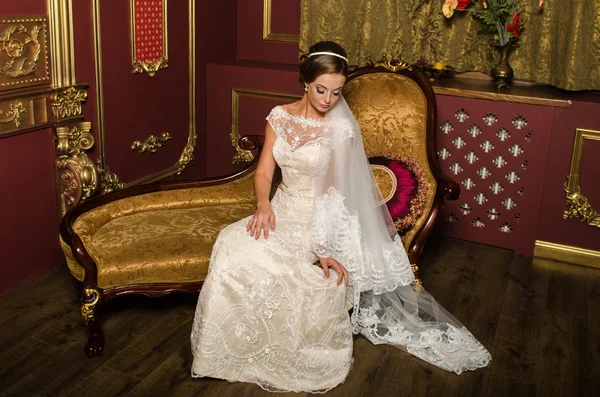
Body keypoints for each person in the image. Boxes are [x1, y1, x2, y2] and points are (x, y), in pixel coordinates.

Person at [190, 41, 491, 393]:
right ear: (304, 82)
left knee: (285, 270)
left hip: (317, 218)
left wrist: (323, 248)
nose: (327, 100)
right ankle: (221, 353)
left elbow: (334, 195)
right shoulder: (279, 117)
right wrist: (262, 205)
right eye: (320, 90)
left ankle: (277, 351)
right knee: (231, 244)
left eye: (336, 92)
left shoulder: (341, 130)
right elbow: (263, 172)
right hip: (281, 210)